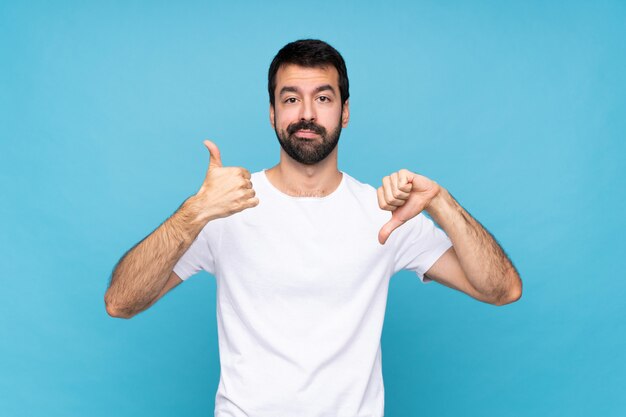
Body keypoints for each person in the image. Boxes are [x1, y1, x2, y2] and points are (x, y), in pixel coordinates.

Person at [105, 39, 522, 417]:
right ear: (272, 113)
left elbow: (502, 289)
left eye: (323, 97)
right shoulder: (225, 208)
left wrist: (439, 203)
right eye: (291, 99)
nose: (307, 113)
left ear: (345, 111)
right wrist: (192, 213)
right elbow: (121, 302)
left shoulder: (386, 213)